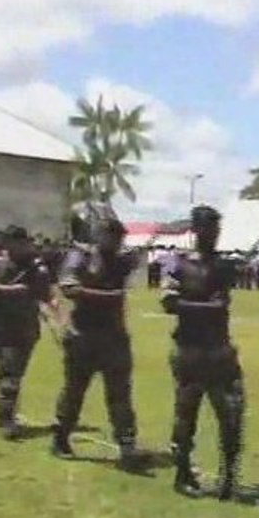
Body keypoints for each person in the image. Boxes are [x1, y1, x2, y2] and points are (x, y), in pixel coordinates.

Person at [161, 205, 245, 500]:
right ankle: (183, 473)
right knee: (186, 415)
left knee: (232, 414)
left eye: (217, 229)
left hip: (220, 350)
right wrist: (208, 307)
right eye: (209, 228)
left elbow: (225, 295)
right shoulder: (178, 264)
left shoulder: (223, 266)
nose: (214, 235)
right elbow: (169, 303)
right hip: (189, 350)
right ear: (196, 231)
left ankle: (229, 477)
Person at [50, 203, 141, 469]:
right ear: (98, 235)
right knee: (74, 392)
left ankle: (127, 446)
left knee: (120, 395)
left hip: (114, 337)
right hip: (83, 336)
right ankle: (61, 438)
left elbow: (131, 266)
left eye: (119, 237)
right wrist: (106, 296)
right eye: (110, 236)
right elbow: (69, 288)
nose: (116, 241)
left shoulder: (121, 261)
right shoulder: (81, 257)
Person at [0, 225, 56, 439]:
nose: (24, 247)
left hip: (26, 328)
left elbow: (45, 295)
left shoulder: (35, 266)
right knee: (10, 374)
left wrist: (43, 280)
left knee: (12, 374)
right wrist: (9, 291)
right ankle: (7, 421)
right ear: (8, 243)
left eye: (25, 242)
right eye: (19, 243)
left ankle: (3, 416)